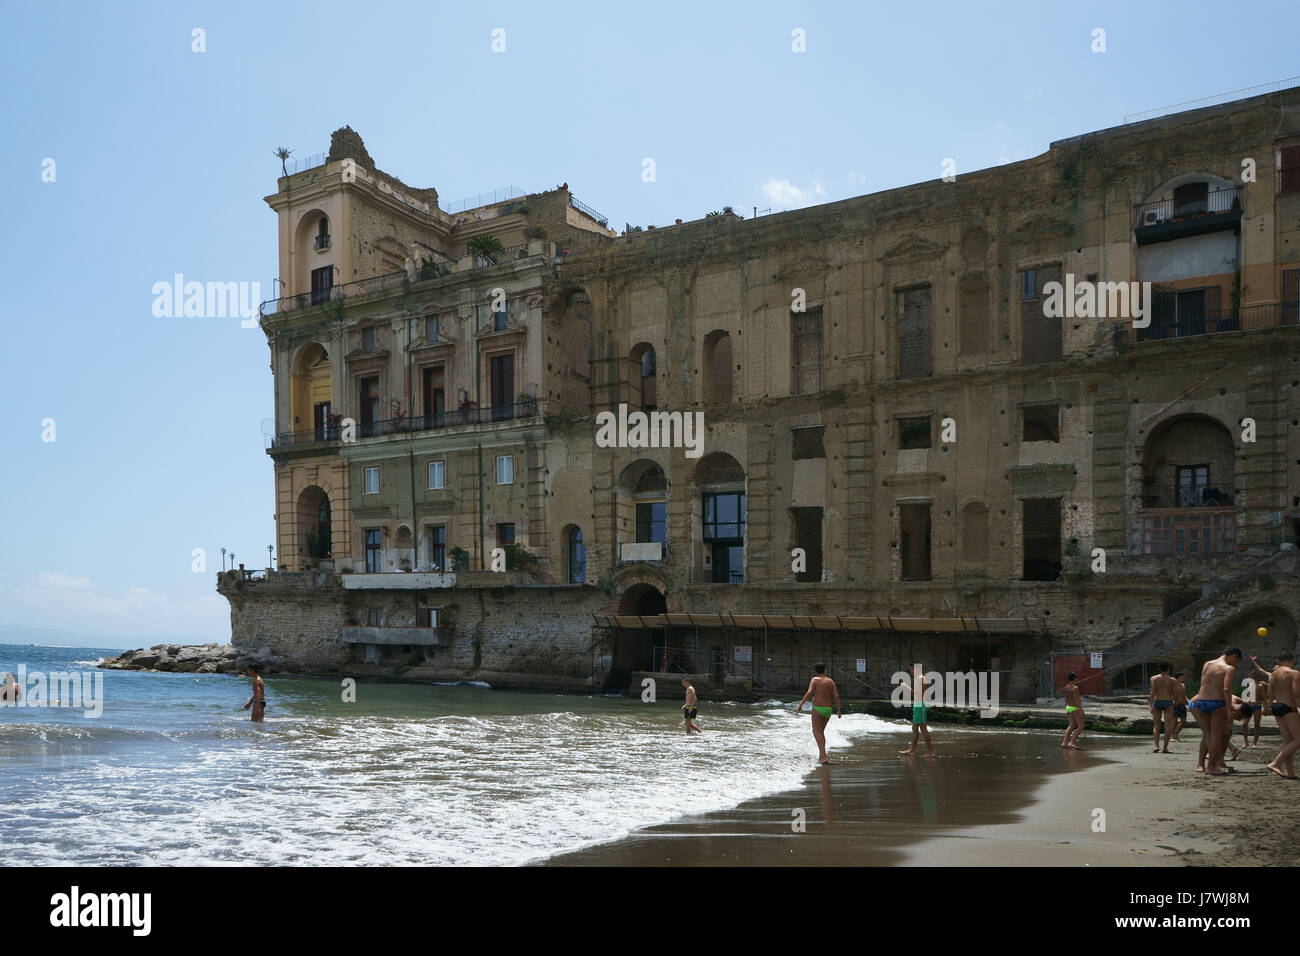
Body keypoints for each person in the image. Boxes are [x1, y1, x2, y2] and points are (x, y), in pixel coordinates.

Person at [1189, 646, 1241, 775]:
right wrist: (1229, 711)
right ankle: (1211, 767)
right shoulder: (1229, 668)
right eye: (1236, 660)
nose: (1235, 663)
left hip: (1200, 702)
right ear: (1234, 656)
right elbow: (1226, 689)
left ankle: (1201, 764)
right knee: (1216, 736)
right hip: (1217, 703)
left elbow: (1204, 683)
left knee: (1207, 735)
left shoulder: (1207, 664)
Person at [1263, 651, 1300, 779]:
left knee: (1288, 740)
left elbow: (1270, 694)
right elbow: (1296, 693)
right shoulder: (1294, 673)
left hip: (1276, 706)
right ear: (1291, 660)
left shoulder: (1274, 674)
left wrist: (1267, 708)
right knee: (1298, 739)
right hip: (1288, 707)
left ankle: (1290, 772)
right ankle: (1276, 763)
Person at [796, 663, 841, 765]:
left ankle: (824, 757)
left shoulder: (814, 680)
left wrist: (800, 705)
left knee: (816, 732)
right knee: (821, 732)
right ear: (825, 670)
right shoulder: (830, 681)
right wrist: (838, 710)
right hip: (828, 709)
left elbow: (809, 692)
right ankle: (821, 756)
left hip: (818, 708)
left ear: (816, 671)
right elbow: (836, 696)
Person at [899, 664, 935, 758]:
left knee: (923, 729)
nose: (911, 671)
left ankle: (931, 752)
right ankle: (911, 750)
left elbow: (919, 693)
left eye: (912, 669)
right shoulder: (918, 678)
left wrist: (906, 687)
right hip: (917, 705)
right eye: (910, 669)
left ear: (918, 669)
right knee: (914, 728)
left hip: (920, 705)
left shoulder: (920, 678)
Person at [1148, 661, 1179, 753]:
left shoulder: (1154, 678)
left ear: (1159, 669)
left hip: (1158, 701)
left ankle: (1156, 746)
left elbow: (1152, 692)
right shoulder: (1173, 680)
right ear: (1169, 669)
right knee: (1168, 725)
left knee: (1157, 725)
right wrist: (1174, 702)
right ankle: (1165, 748)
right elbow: (1175, 693)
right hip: (1167, 702)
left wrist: (1151, 705)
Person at [1241, 673, 1266, 749]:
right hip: (1248, 706)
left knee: (1256, 724)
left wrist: (1266, 707)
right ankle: (1246, 742)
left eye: (1251, 677)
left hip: (1257, 706)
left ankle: (1254, 743)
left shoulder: (1260, 686)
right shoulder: (1250, 685)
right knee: (1244, 724)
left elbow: (1264, 698)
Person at [1061, 672, 1084, 749]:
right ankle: (1072, 742)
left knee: (1071, 725)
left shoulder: (1066, 687)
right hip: (1074, 707)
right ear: (1074, 678)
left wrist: (1067, 709)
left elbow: (1066, 699)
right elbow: (1077, 700)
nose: (1077, 679)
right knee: (1081, 725)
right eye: (1076, 678)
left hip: (1068, 707)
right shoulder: (1075, 688)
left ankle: (1064, 743)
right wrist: (1081, 710)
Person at [1171, 672, 1189, 742]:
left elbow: (1184, 695)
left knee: (1183, 722)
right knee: (1174, 722)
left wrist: (1189, 701)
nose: (1185, 678)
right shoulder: (1173, 685)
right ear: (1179, 677)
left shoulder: (1183, 685)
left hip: (1182, 705)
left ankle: (1176, 734)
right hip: (1175, 705)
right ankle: (1172, 736)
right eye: (1183, 676)